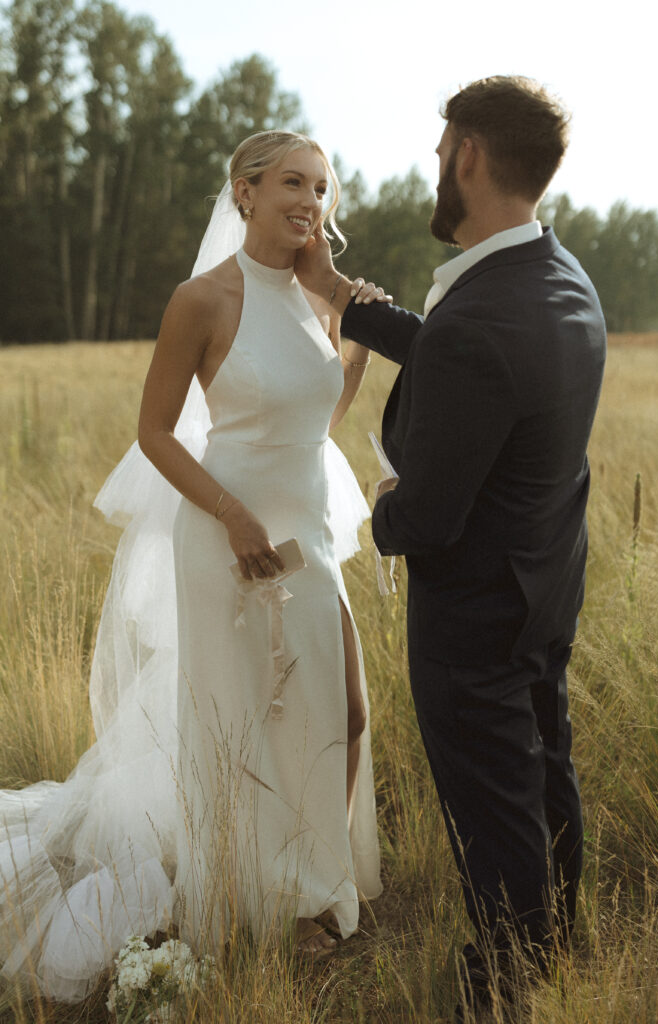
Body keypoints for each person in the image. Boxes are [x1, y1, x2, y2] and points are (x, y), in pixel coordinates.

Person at [0, 130, 382, 1003]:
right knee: (239, 724)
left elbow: (319, 422)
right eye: (292, 182)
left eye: (321, 188)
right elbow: (155, 434)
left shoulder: (323, 297)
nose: (309, 202)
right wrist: (231, 513)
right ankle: (263, 905)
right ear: (243, 192)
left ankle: (313, 883)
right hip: (227, 532)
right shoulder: (202, 299)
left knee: (344, 713)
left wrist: (350, 329)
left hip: (307, 532)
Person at [295, 76, 606, 1012]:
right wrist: (349, 303)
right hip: (542, 585)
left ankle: (510, 976)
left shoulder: (482, 317)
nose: (435, 170)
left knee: (492, 806)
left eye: (439, 154)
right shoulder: (553, 274)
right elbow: (465, 358)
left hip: (471, 615)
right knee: (543, 767)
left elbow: (424, 519)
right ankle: (561, 945)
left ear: (467, 153)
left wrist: (381, 505)